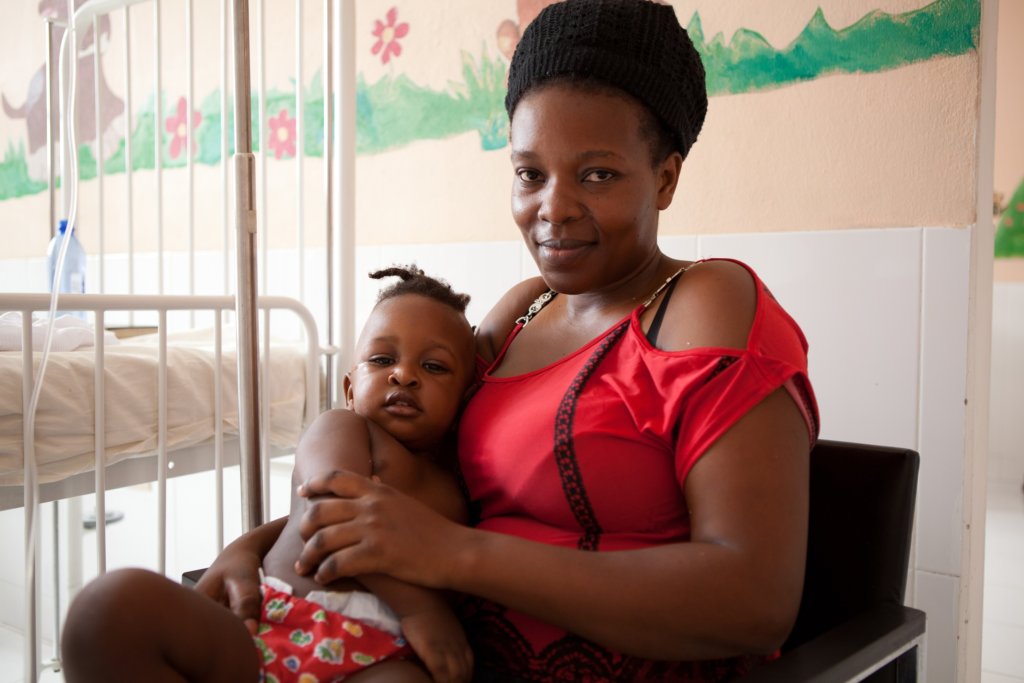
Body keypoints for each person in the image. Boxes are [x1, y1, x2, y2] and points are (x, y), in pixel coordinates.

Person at [195, 1, 820, 681]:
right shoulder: (522, 311)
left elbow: (755, 599)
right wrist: (252, 547)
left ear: (664, 177)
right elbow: (401, 473)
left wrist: (453, 555)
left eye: (597, 174)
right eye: (530, 174)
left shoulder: (706, 302)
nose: (552, 207)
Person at [60, 266, 478, 683]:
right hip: (269, 624)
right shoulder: (344, 428)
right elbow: (329, 506)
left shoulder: (461, 481)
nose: (403, 375)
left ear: (466, 397)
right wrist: (419, 608)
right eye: (383, 359)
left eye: (435, 367)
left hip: (381, 659)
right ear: (350, 391)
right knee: (109, 606)